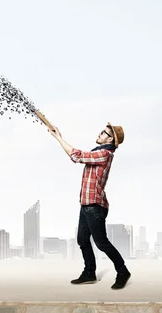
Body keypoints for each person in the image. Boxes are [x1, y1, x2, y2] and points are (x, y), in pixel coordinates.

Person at [48, 122, 131, 290]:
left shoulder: (104, 154)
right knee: (82, 239)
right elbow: (77, 155)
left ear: (110, 139)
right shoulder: (98, 152)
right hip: (86, 204)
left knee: (101, 243)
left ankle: (123, 272)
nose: (99, 133)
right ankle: (89, 273)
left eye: (103, 132)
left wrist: (58, 138)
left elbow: (76, 155)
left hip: (95, 206)